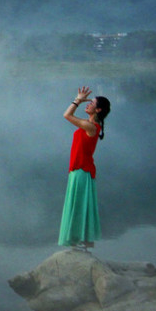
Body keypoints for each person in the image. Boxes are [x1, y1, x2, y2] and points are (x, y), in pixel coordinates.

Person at [58, 85, 111, 250]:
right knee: (80, 205)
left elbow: (67, 115)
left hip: (81, 170)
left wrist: (77, 101)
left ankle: (80, 242)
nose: (88, 104)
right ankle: (84, 243)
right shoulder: (89, 124)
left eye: (92, 103)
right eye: (88, 102)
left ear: (98, 109)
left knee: (79, 206)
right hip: (79, 170)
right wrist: (79, 101)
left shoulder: (91, 127)